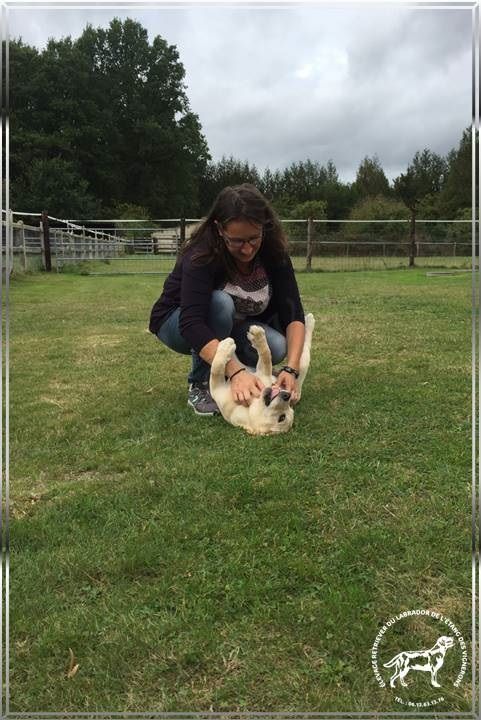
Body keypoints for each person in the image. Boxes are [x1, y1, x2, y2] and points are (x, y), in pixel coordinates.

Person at [149, 183, 305, 416]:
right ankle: (200, 383)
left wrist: (291, 370)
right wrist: (236, 371)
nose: (247, 249)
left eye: (254, 238)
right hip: (177, 322)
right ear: (219, 230)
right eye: (237, 241)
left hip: (232, 325)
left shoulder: (274, 252)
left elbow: (293, 313)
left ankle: (245, 377)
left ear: (265, 227)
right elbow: (192, 323)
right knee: (220, 303)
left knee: (278, 346)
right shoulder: (201, 254)